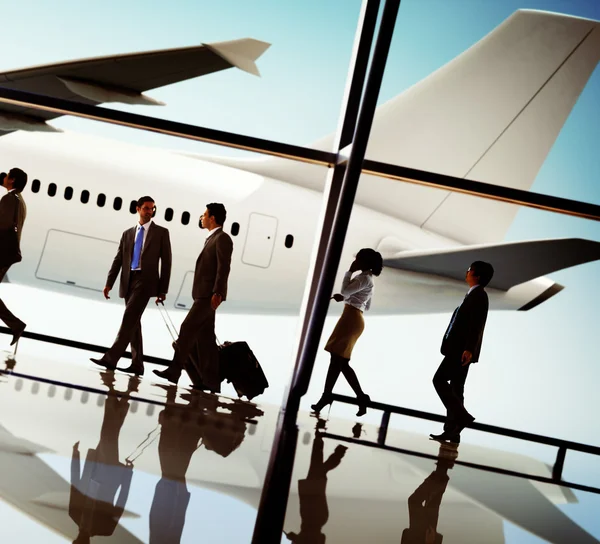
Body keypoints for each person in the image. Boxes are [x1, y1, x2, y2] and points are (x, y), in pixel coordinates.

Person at [154, 203, 233, 393]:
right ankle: (209, 382)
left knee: (187, 328)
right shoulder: (212, 238)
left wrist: (218, 293)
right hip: (204, 293)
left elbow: (224, 268)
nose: (202, 217)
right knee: (205, 339)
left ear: (212, 218)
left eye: (204, 214)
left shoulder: (222, 239)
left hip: (208, 295)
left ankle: (174, 371)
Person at [91, 196, 172, 376]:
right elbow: (119, 259)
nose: (149, 211)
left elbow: (166, 263)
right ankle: (137, 364)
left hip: (146, 281)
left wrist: (163, 289)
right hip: (129, 280)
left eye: (152, 208)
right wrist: (109, 283)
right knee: (134, 324)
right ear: (138, 209)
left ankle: (111, 358)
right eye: (146, 208)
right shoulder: (128, 233)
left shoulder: (161, 233)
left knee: (129, 318)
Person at [311, 248, 383, 417]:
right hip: (354, 317)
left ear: (363, 262)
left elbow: (345, 290)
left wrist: (349, 272)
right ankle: (354, 397)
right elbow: (366, 305)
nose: (355, 261)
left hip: (350, 319)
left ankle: (331, 396)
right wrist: (347, 299)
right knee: (339, 362)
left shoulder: (362, 277)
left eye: (357, 259)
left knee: (337, 361)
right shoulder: (368, 279)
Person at [430, 261, 494, 444]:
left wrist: (468, 349)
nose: (466, 271)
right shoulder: (473, 295)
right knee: (457, 387)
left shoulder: (480, 295)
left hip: (460, 350)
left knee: (439, 380)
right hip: (460, 349)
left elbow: (477, 324)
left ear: (478, 276)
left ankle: (461, 417)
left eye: (470, 269)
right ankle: (452, 431)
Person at [69, 374, 138, 543]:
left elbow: (75, 483)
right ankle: (114, 391)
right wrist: (128, 474)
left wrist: (75, 455)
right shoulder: (106, 530)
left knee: (110, 434)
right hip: (110, 472)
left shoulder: (74, 514)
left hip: (94, 466)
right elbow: (122, 501)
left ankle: (124, 393)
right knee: (109, 435)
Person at [285, 419, 347, 544]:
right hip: (311, 511)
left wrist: (295, 538)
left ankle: (327, 443)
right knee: (318, 468)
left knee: (318, 469)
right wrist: (294, 538)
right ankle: (326, 442)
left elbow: (321, 537)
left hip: (316, 514)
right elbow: (309, 538)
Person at [0, 168, 28, 346]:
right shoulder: (19, 200)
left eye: (8, 175)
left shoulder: (10, 199)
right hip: (7, 253)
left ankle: (16, 325)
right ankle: (16, 325)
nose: (4, 177)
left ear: (12, 180)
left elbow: (2, 224)